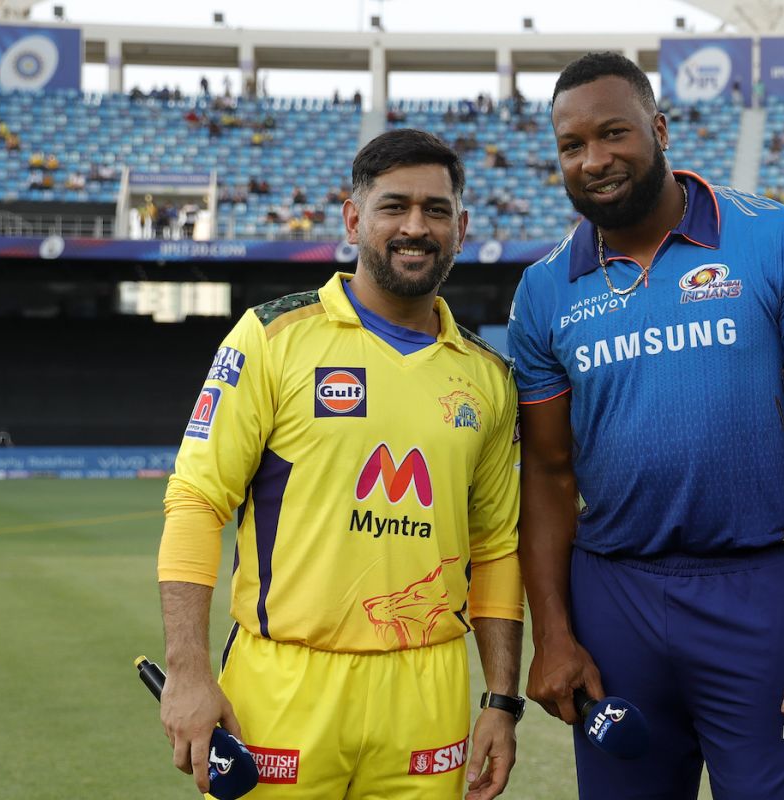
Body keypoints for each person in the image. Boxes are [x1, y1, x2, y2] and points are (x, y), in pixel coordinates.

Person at [507, 52, 784, 800]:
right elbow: (546, 473)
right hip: (614, 603)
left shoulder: (771, 238)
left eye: (614, 134)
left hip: (762, 594)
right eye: (572, 146)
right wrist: (553, 634)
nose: (595, 160)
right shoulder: (544, 290)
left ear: (660, 128)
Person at [157, 129, 523, 800]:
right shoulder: (270, 337)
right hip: (284, 685)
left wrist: (501, 701)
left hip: (427, 689)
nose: (416, 227)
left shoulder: (489, 378)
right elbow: (196, 502)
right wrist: (187, 669)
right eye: (394, 206)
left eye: (436, 210)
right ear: (354, 218)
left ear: (462, 227)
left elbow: (496, 546)